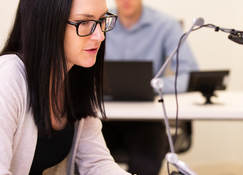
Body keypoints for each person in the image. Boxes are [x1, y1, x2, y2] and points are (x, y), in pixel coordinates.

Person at [0, 0, 131, 174]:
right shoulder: (8, 77)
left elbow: (97, 163)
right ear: (46, 23)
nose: (100, 36)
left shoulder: (76, 76)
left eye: (102, 20)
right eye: (84, 22)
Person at [102, 0, 198, 174]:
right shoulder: (99, 22)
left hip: (147, 120)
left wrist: (152, 85)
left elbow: (189, 75)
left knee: (145, 164)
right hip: (102, 117)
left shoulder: (165, 25)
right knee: (84, 160)